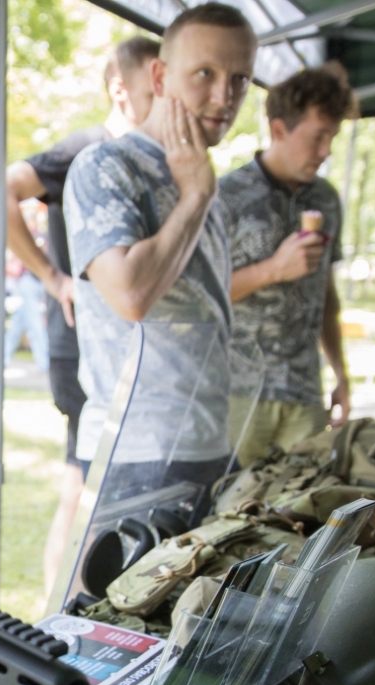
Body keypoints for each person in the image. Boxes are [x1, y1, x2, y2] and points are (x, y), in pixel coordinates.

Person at [65, 4, 257, 505]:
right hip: (137, 449)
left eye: (240, 79)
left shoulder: (201, 175)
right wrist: (193, 197)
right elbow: (129, 294)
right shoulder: (105, 164)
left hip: (209, 439)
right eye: (204, 74)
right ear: (159, 75)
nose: (224, 96)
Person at [5, 33, 158, 595]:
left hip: (131, 346)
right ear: (121, 88)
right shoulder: (84, 151)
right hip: (83, 347)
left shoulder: (145, 159)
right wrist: (52, 276)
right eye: (152, 85)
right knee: (83, 482)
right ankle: (58, 608)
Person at [219, 66, 356, 467]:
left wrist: (341, 376)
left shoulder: (327, 199)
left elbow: (326, 297)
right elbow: (200, 296)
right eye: (317, 137)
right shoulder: (225, 196)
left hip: (303, 392)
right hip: (237, 394)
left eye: (332, 137)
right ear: (279, 130)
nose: (326, 150)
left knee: (304, 510)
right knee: (228, 513)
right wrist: (273, 270)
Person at [2, 248, 49, 370]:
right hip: (29, 284)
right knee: (36, 326)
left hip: (37, 285)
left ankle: (4, 357)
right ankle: (45, 362)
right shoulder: (35, 251)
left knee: (18, 325)